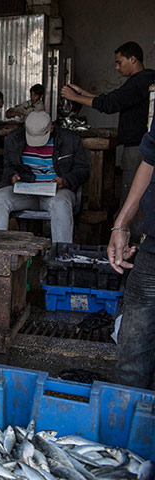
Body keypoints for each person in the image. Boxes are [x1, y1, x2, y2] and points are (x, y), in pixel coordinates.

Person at [61, 41, 155, 204]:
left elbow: (110, 104)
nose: (117, 68)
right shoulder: (141, 81)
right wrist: (83, 93)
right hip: (138, 147)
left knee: (133, 200)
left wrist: (75, 97)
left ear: (132, 59)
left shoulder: (142, 80)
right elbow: (112, 99)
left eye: (119, 62)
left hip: (137, 149)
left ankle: (128, 229)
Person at [0, 111, 89, 243]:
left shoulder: (70, 139)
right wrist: (12, 176)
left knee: (60, 204)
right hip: (26, 190)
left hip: (57, 192)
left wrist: (66, 180)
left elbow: (83, 170)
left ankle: (61, 254)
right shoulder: (14, 139)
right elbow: (8, 166)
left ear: (51, 128)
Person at [107, 110, 155, 390]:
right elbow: (151, 158)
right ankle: (130, 423)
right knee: (131, 354)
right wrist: (121, 225)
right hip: (152, 250)